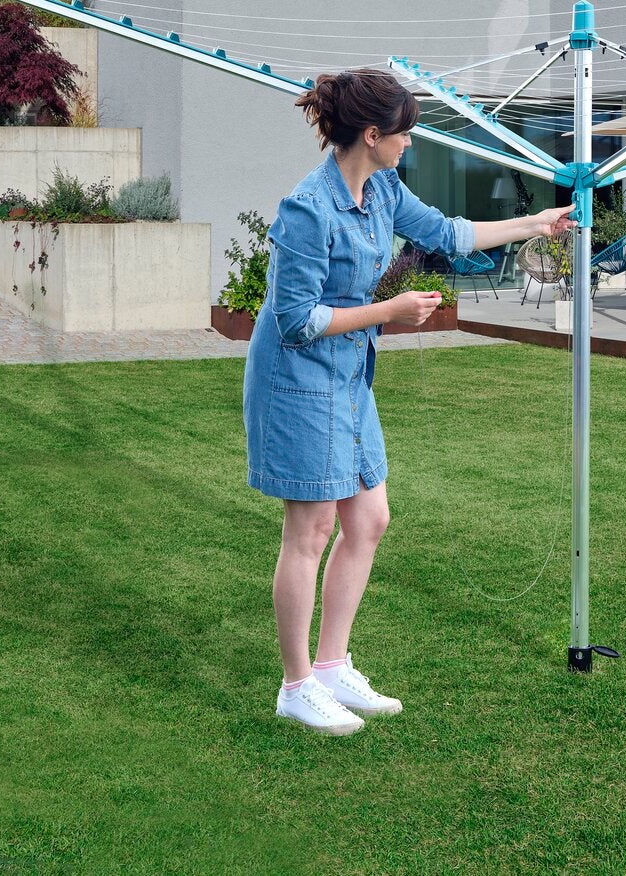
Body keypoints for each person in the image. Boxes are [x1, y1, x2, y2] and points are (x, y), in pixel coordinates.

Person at [246, 67, 575, 735]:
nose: (411, 146)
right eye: (406, 135)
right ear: (372, 135)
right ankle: (295, 684)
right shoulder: (308, 210)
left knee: (368, 520)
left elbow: (448, 234)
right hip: (298, 380)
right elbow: (295, 321)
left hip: (346, 378)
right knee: (309, 531)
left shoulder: (386, 188)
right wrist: (385, 311)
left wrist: (535, 224)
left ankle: (334, 666)